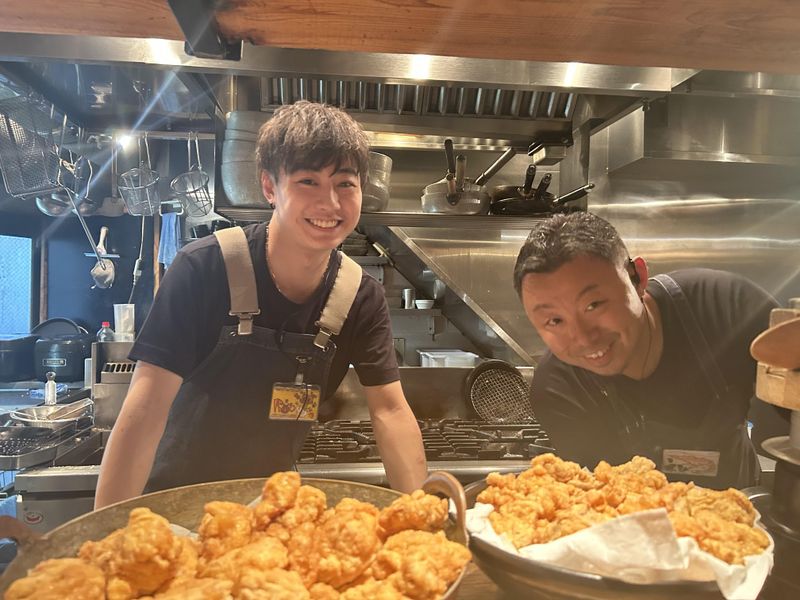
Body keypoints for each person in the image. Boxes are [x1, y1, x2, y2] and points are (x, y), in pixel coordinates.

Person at [94, 101, 427, 508]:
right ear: (270, 187)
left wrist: (422, 518)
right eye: (308, 181)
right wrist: (106, 528)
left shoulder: (360, 296)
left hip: (271, 510)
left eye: (345, 183)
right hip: (174, 510)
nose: (331, 203)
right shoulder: (203, 268)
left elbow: (391, 413)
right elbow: (144, 412)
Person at [514, 211, 789, 489]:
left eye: (593, 305)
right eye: (554, 321)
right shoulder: (558, 389)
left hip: (739, 507)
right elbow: (598, 498)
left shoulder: (726, 309)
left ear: (638, 277)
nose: (583, 338)